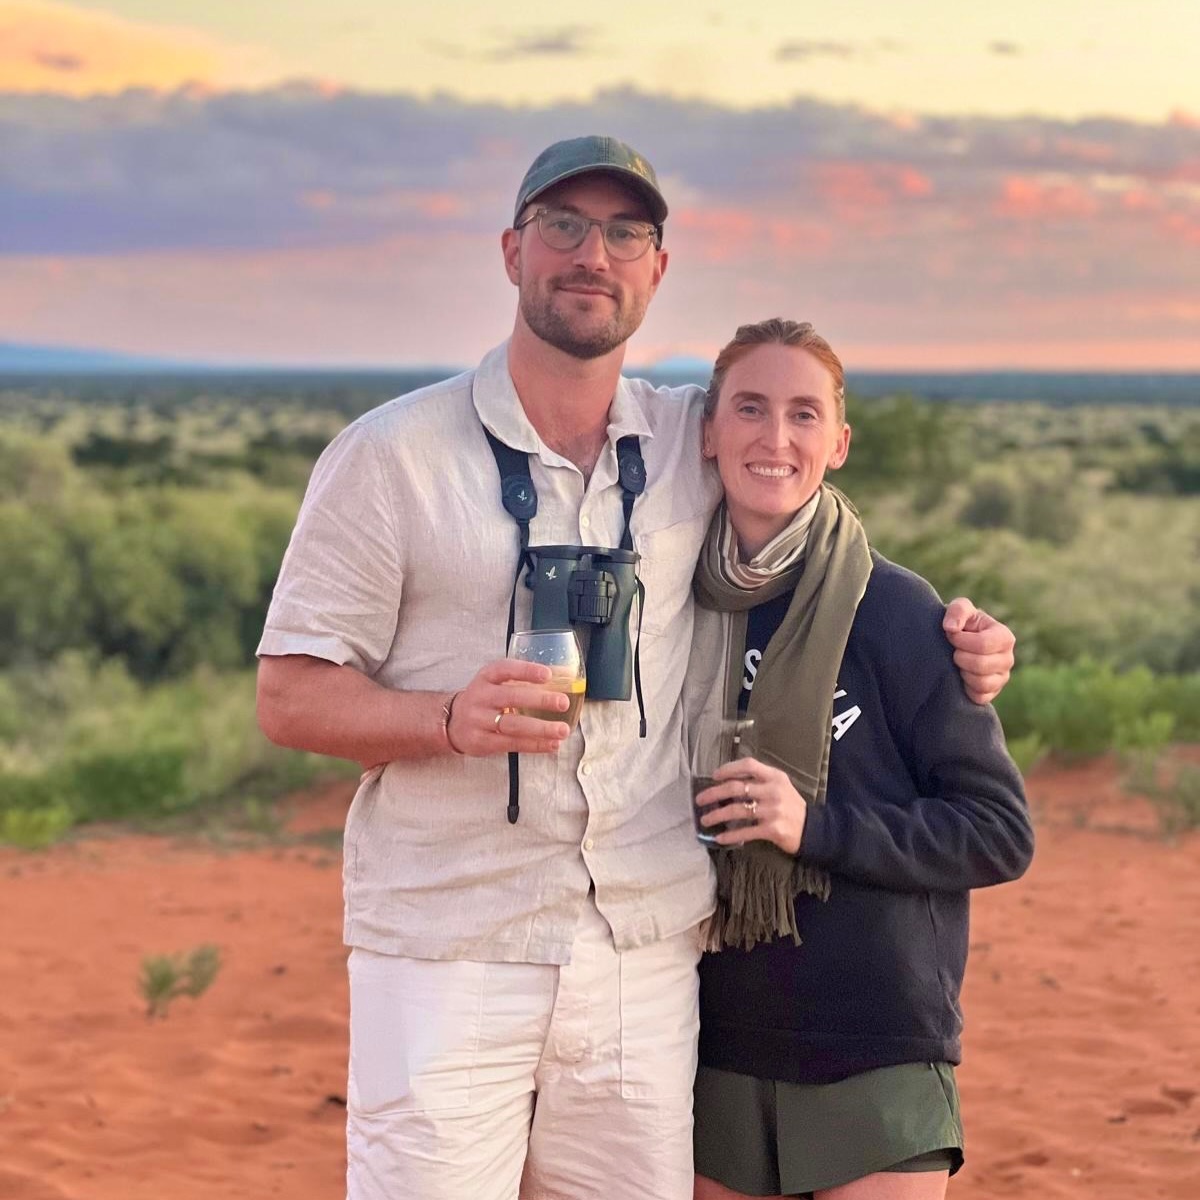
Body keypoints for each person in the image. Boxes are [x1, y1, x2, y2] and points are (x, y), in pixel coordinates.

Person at [255, 137, 1018, 1200]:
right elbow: (287, 695)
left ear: (657, 270)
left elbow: (800, 503)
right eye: (563, 226)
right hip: (451, 946)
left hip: (643, 954)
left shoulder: (681, 438)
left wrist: (958, 635)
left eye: (625, 233)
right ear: (513, 249)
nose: (592, 255)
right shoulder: (391, 459)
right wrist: (444, 720)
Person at [685, 319, 1034, 1200]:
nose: (775, 438)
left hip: (876, 1033)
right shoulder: (670, 612)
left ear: (837, 444)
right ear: (707, 431)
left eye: (805, 415)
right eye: (750, 408)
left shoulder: (896, 610)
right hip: (713, 1034)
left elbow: (997, 833)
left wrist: (814, 827)